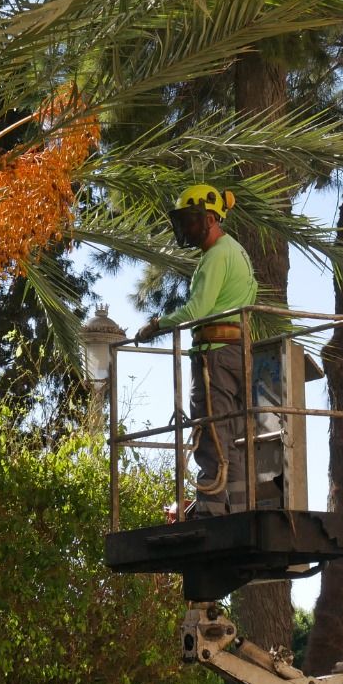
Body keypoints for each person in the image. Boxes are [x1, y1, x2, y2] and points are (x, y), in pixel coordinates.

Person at [136, 184, 257, 516]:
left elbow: (197, 310)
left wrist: (158, 325)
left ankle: (210, 508)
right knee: (230, 438)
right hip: (236, 353)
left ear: (209, 218)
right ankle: (238, 508)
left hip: (214, 356)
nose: (186, 229)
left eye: (190, 221)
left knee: (211, 434)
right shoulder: (237, 251)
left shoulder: (216, 255)